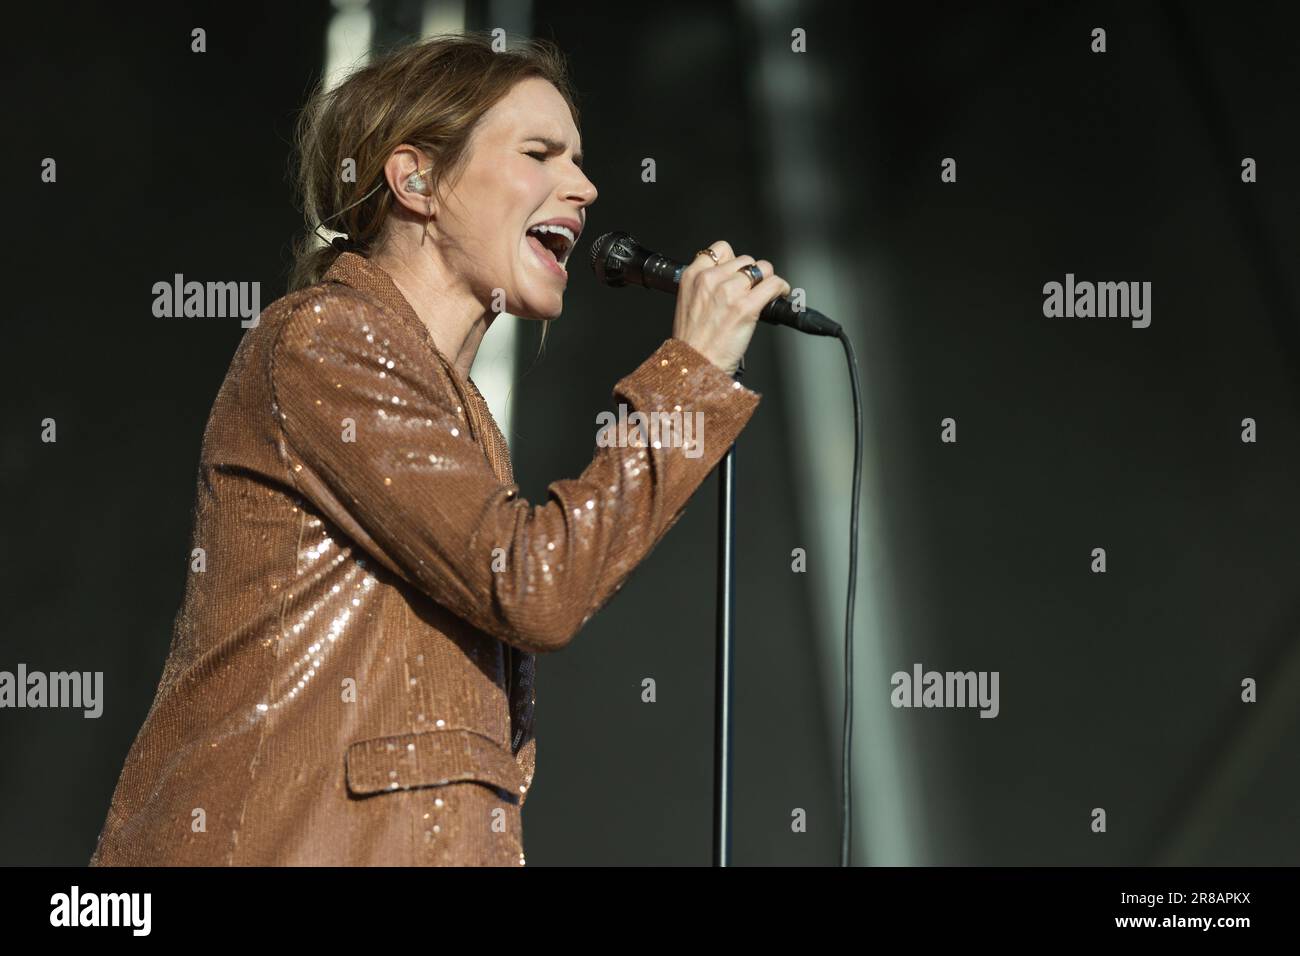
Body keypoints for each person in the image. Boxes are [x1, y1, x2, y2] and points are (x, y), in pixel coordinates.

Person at [89, 32, 788, 866]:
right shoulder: (326, 341)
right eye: (539, 153)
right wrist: (691, 379)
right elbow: (534, 582)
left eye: (579, 159)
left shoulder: (450, 407)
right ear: (415, 178)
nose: (586, 186)